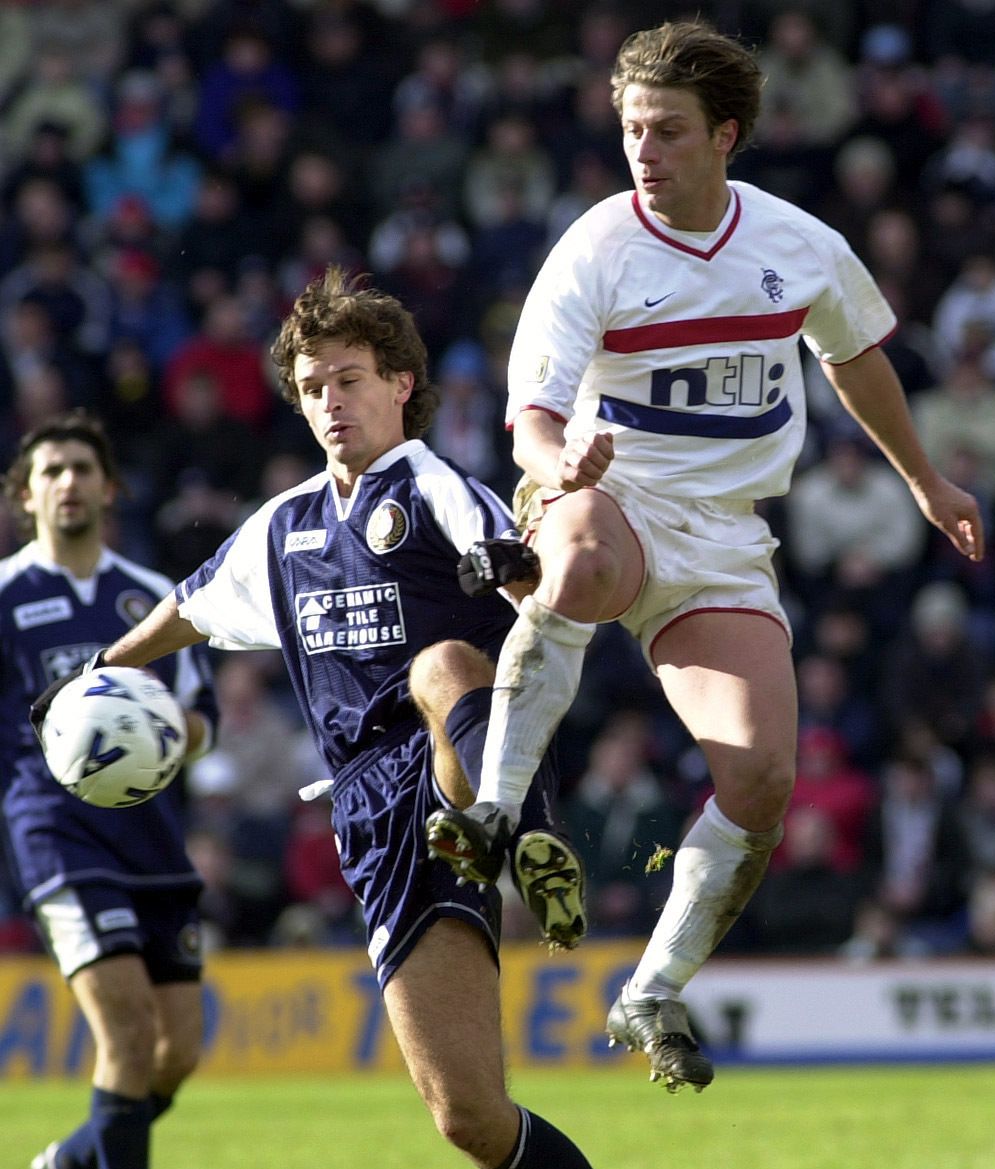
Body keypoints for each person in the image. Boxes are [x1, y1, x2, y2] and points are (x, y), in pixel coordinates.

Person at [426, 17, 985, 1095]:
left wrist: (923, 478)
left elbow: (855, 356)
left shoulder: (794, 243)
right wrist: (564, 455)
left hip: (727, 538)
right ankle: (493, 809)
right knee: (578, 559)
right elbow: (528, 421)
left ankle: (648, 989)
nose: (644, 149)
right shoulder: (590, 247)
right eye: (633, 127)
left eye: (667, 130)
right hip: (609, 500)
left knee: (762, 776)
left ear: (723, 135)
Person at [32, 268, 592, 1169]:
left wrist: (518, 569)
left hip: (461, 750)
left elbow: (535, 588)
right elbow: (189, 605)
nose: (332, 402)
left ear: (400, 385)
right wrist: (102, 668)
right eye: (312, 388)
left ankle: (520, 834)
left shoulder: (430, 482)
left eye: (350, 378)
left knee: (439, 666)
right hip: (366, 809)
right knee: (471, 1120)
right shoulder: (281, 526)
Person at [0, 411, 217, 1169]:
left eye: (81, 469)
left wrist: (159, 726)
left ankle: (68, 1161)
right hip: (53, 831)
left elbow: (204, 720)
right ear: (23, 496)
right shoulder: (5, 594)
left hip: (150, 834)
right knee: (124, 1034)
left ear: (110, 487)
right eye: (49, 472)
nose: (67, 482)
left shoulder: (152, 595)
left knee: (176, 1047)